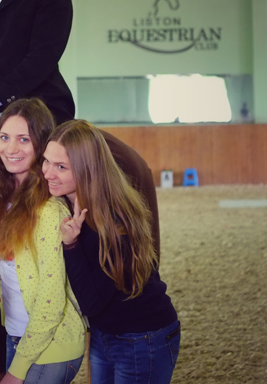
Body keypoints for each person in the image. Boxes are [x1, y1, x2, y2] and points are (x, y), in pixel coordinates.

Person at [46, 120, 180, 384]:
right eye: (46, 161)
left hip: (141, 337)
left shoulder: (111, 221)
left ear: (87, 170)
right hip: (105, 333)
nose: (48, 173)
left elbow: (91, 303)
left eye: (61, 167)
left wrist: (70, 245)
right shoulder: (69, 205)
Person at [0, 99, 86, 383]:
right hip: (16, 335)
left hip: (52, 345)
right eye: (4, 137)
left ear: (41, 146)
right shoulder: (1, 200)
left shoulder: (49, 211)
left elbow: (51, 302)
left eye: (23, 139)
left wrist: (17, 370)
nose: (11, 148)